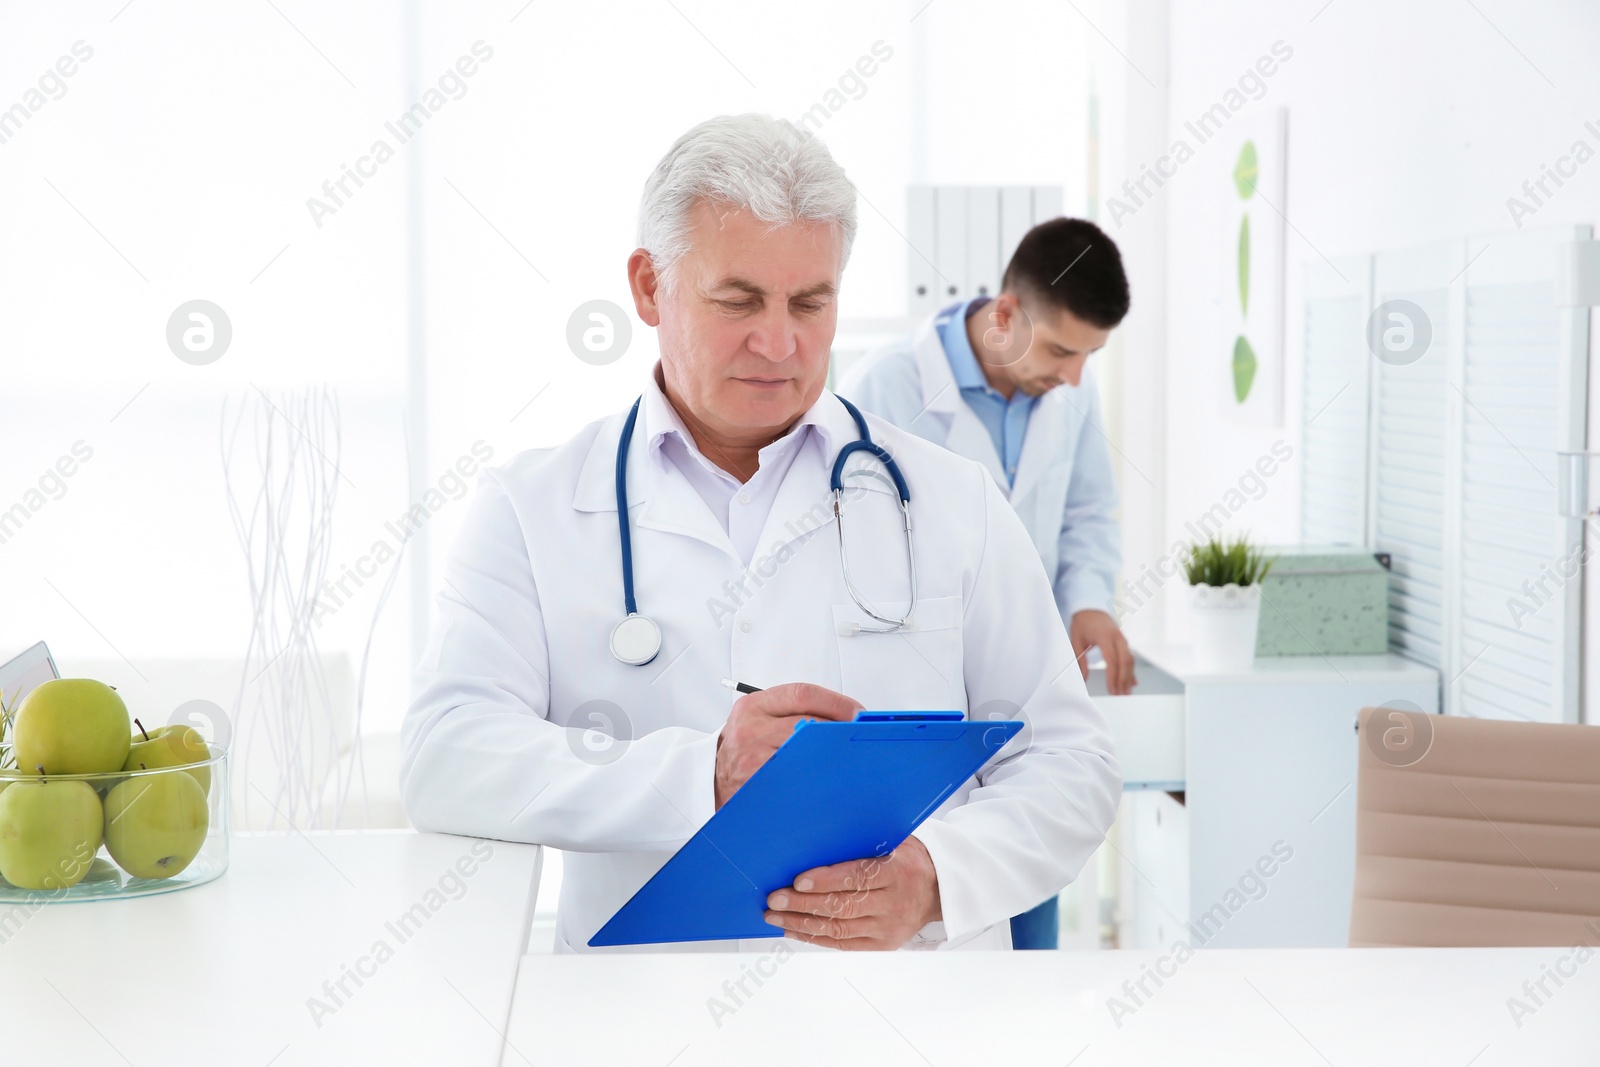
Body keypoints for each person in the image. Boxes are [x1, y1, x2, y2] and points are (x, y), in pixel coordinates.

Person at [400, 114, 1119, 953]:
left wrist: (935, 878)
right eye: (737, 300)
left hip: (909, 1014)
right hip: (641, 1016)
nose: (778, 343)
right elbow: (446, 756)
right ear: (646, 286)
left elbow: (1071, 762)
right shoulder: (531, 508)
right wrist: (698, 773)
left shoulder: (950, 500)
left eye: (811, 303)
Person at [839, 216, 1133, 950]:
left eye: (1089, 357)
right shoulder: (884, 386)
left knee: (1026, 883)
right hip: (922, 689)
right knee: (925, 913)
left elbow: (1091, 509)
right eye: (1064, 349)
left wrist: (1089, 598)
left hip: (1023, 684)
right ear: (1004, 315)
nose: (1073, 375)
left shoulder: (1070, 395)